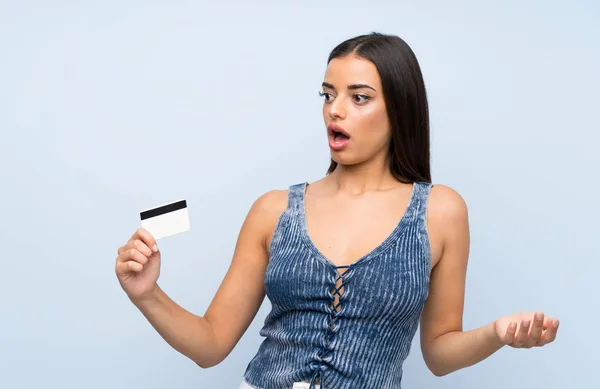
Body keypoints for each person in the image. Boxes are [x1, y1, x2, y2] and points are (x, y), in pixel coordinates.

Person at [115, 32, 560, 389]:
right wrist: (147, 294)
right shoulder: (274, 211)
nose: (335, 111)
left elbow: (440, 353)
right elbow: (210, 344)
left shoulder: (440, 211)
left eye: (359, 97)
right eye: (328, 95)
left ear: (399, 110)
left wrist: (497, 334)